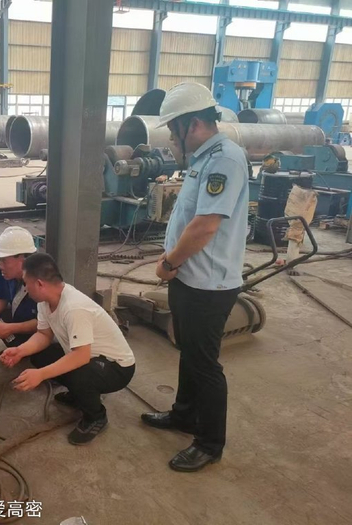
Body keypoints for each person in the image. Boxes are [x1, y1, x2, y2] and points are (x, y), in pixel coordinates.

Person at [140, 82, 249, 472]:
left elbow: (204, 227)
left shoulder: (224, 160)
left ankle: (210, 442)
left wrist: (169, 264)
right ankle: (184, 414)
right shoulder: (203, 159)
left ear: (195, 124)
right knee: (189, 353)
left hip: (208, 285)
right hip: (190, 278)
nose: (171, 137)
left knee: (204, 364)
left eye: (174, 129)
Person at [0, 253, 135, 446]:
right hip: (89, 358)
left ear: (39, 284)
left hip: (117, 368)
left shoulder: (73, 307)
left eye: (26, 283)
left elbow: (81, 356)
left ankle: (96, 417)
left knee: (81, 374)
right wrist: (20, 351)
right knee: (41, 356)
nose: (25, 288)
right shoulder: (45, 302)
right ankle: (79, 394)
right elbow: (43, 335)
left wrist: (40, 375)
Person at [0, 227, 39, 346]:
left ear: (23, 259)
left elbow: (46, 323)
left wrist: (11, 328)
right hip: (20, 319)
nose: (0, 265)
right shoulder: (6, 273)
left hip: (42, 334)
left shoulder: (41, 282)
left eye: (4, 261)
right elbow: (0, 296)